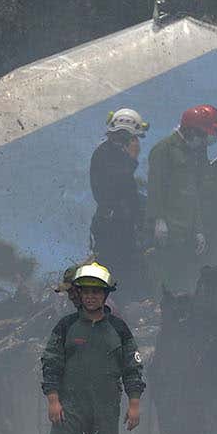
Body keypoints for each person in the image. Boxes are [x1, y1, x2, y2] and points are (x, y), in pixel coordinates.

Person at [26, 262, 144, 434]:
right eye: (86, 291)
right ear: (79, 294)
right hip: (70, 410)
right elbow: (52, 364)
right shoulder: (66, 326)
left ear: (106, 295)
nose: (91, 296)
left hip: (105, 411)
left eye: (97, 291)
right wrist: (53, 400)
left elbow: (132, 367)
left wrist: (134, 403)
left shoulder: (119, 329)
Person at [146, 103, 217, 295]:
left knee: (185, 275)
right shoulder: (163, 150)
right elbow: (155, 187)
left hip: (187, 228)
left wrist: (198, 229)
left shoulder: (193, 153)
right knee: (166, 274)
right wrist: (158, 219)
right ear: (193, 131)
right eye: (206, 133)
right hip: (170, 227)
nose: (208, 139)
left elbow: (193, 194)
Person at [89, 109, 148, 297]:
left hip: (122, 224)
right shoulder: (105, 154)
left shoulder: (114, 154)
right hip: (112, 227)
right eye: (133, 138)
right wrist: (131, 159)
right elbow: (116, 186)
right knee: (117, 272)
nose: (136, 143)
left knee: (128, 270)